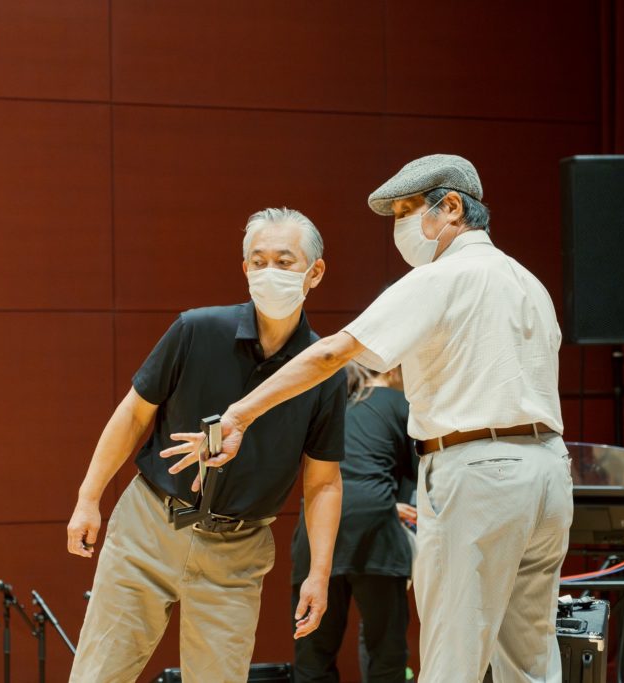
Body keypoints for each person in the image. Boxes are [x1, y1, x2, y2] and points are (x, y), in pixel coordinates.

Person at [163, 154, 573, 683]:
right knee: (531, 660)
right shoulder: (529, 283)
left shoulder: (441, 277)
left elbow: (334, 353)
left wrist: (240, 413)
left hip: (479, 475)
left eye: (406, 212)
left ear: (451, 207)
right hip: (549, 475)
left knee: (452, 660)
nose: (400, 229)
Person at [66, 208, 347, 683]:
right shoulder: (196, 329)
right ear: (245, 269)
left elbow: (323, 481)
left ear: (314, 272)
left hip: (238, 549)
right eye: (258, 261)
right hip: (149, 525)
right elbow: (134, 413)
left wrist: (319, 575)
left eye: (284, 261)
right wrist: (88, 498)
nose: (269, 272)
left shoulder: (322, 369)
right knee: (98, 674)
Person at [291, 362, 416, 683]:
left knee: (312, 655)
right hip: (376, 527)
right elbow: (423, 473)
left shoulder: (328, 406)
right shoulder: (400, 403)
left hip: (316, 529)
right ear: (391, 369)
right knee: (386, 654)